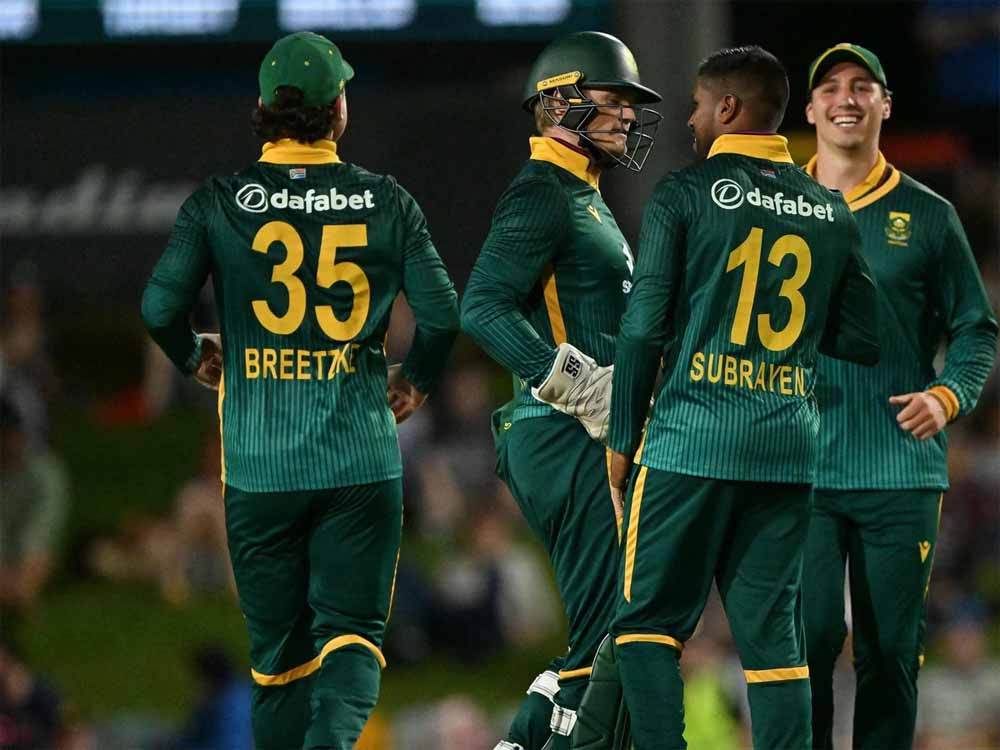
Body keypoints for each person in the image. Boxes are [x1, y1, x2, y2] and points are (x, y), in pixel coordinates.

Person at [141, 31, 459, 750]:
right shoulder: (388, 201)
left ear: (262, 109)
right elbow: (442, 317)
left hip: (259, 468)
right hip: (359, 461)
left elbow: (159, 308)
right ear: (338, 109)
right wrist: (415, 382)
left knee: (279, 666)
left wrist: (193, 356)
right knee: (354, 640)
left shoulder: (218, 203)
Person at [605, 46, 881, 750]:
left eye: (699, 106)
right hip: (786, 449)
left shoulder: (684, 192)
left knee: (646, 625)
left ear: (727, 108)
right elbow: (865, 338)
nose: (691, 120)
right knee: (772, 638)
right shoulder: (829, 210)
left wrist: (621, 437)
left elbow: (641, 330)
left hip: (690, 441)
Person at [460, 30, 661, 750]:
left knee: (615, 624)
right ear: (559, 101)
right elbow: (483, 305)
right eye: (613, 99)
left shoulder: (582, 193)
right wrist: (582, 387)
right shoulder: (545, 189)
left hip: (576, 434)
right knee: (621, 627)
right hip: (563, 431)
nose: (628, 115)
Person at [800, 43, 998, 750]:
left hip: (898, 467)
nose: (846, 98)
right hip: (798, 465)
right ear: (810, 109)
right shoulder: (774, 207)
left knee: (889, 653)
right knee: (803, 641)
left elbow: (976, 329)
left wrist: (948, 395)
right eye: (830, 87)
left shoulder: (929, 215)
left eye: (863, 86)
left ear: (886, 104)